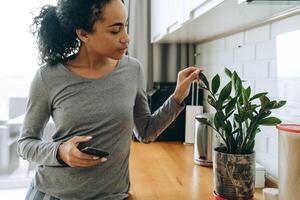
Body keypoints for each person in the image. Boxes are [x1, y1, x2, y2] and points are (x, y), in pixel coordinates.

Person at [17, 0, 202, 199]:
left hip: (112, 195)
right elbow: (25, 144)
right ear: (83, 34)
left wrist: (178, 96)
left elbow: (146, 132)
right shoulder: (48, 76)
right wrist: (61, 151)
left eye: (125, 26)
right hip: (53, 194)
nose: (126, 38)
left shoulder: (132, 69)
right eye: (115, 31)